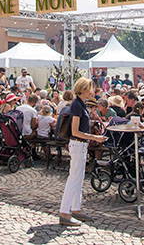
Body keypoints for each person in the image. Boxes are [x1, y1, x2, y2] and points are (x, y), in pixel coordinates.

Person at [59, 77, 106, 226]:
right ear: (85, 89)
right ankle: (64, 212)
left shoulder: (81, 104)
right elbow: (75, 131)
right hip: (78, 144)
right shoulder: (77, 105)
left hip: (81, 145)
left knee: (78, 178)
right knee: (74, 178)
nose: (92, 91)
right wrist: (95, 137)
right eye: (90, 88)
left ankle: (76, 209)